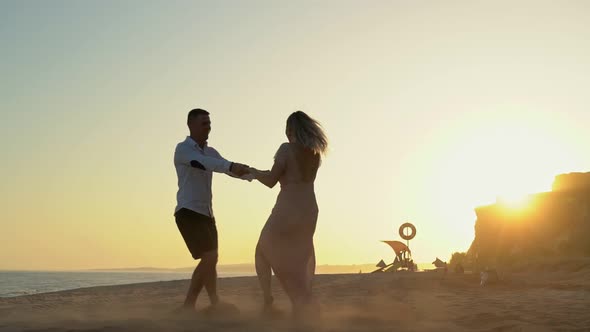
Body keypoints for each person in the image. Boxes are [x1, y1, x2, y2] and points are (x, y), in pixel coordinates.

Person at [249, 111, 328, 318]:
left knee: (263, 250)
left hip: (288, 207)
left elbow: (271, 180)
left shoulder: (286, 149)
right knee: (300, 259)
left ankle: (268, 302)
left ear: (290, 130)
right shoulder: (315, 153)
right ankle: (302, 307)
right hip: (309, 209)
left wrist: (253, 172)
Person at [173, 108, 251, 312]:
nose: (208, 127)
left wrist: (255, 174)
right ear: (191, 125)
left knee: (211, 259)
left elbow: (226, 168)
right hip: (188, 211)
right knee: (209, 257)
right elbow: (208, 164)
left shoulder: (212, 152)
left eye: (209, 123)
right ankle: (188, 306)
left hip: (207, 214)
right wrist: (231, 165)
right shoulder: (183, 149)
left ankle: (214, 303)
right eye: (204, 123)